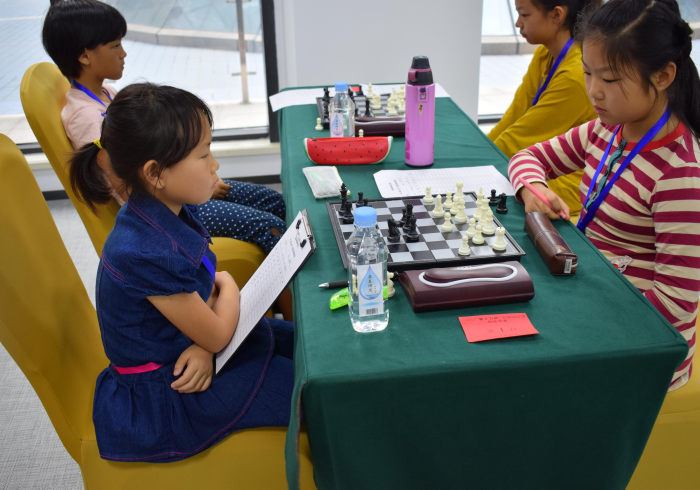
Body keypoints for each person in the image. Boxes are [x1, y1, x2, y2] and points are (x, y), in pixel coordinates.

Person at [68, 82, 294, 462]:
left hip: (190, 346)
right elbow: (218, 331)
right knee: (308, 389)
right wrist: (228, 285)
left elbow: (205, 307)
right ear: (155, 173)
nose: (215, 164)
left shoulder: (167, 208)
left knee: (300, 345)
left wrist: (208, 337)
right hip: (169, 390)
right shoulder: (142, 252)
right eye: (203, 154)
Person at [508, 0, 700, 391]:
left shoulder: (680, 174)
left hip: (639, 347)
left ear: (663, 75)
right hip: (594, 298)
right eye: (588, 73)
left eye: (609, 80)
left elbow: (675, 305)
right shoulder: (607, 130)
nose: (594, 92)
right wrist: (533, 187)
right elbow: (527, 157)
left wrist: (582, 319)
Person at [42, 0, 286, 253]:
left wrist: (203, 178)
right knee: (269, 227)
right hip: (165, 211)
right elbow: (126, 187)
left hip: (176, 190)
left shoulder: (107, 93)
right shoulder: (85, 117)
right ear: (84, 55)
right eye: (115, 46)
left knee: (273, 201)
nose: (123, 53)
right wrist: (194, 188)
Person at [489, 0, 602, 217]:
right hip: (539, 163)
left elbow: (520, 138)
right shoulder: (545, 53)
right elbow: (512, 118)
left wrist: (477, 164)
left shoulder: (575, 77)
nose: (517, 23)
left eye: (524, 14)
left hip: (568, 184)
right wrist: (482, 151)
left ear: (557, 15)